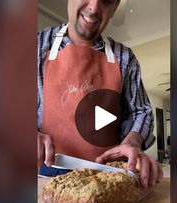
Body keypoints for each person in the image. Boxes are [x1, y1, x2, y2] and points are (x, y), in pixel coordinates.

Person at [37, 0, 163, 188]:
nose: (94, 8)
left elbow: (140, 112)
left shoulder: (125, 59)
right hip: (44, 174)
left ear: (115, 7)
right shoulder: (35, 46)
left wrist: (133, 141)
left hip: (107, 176)